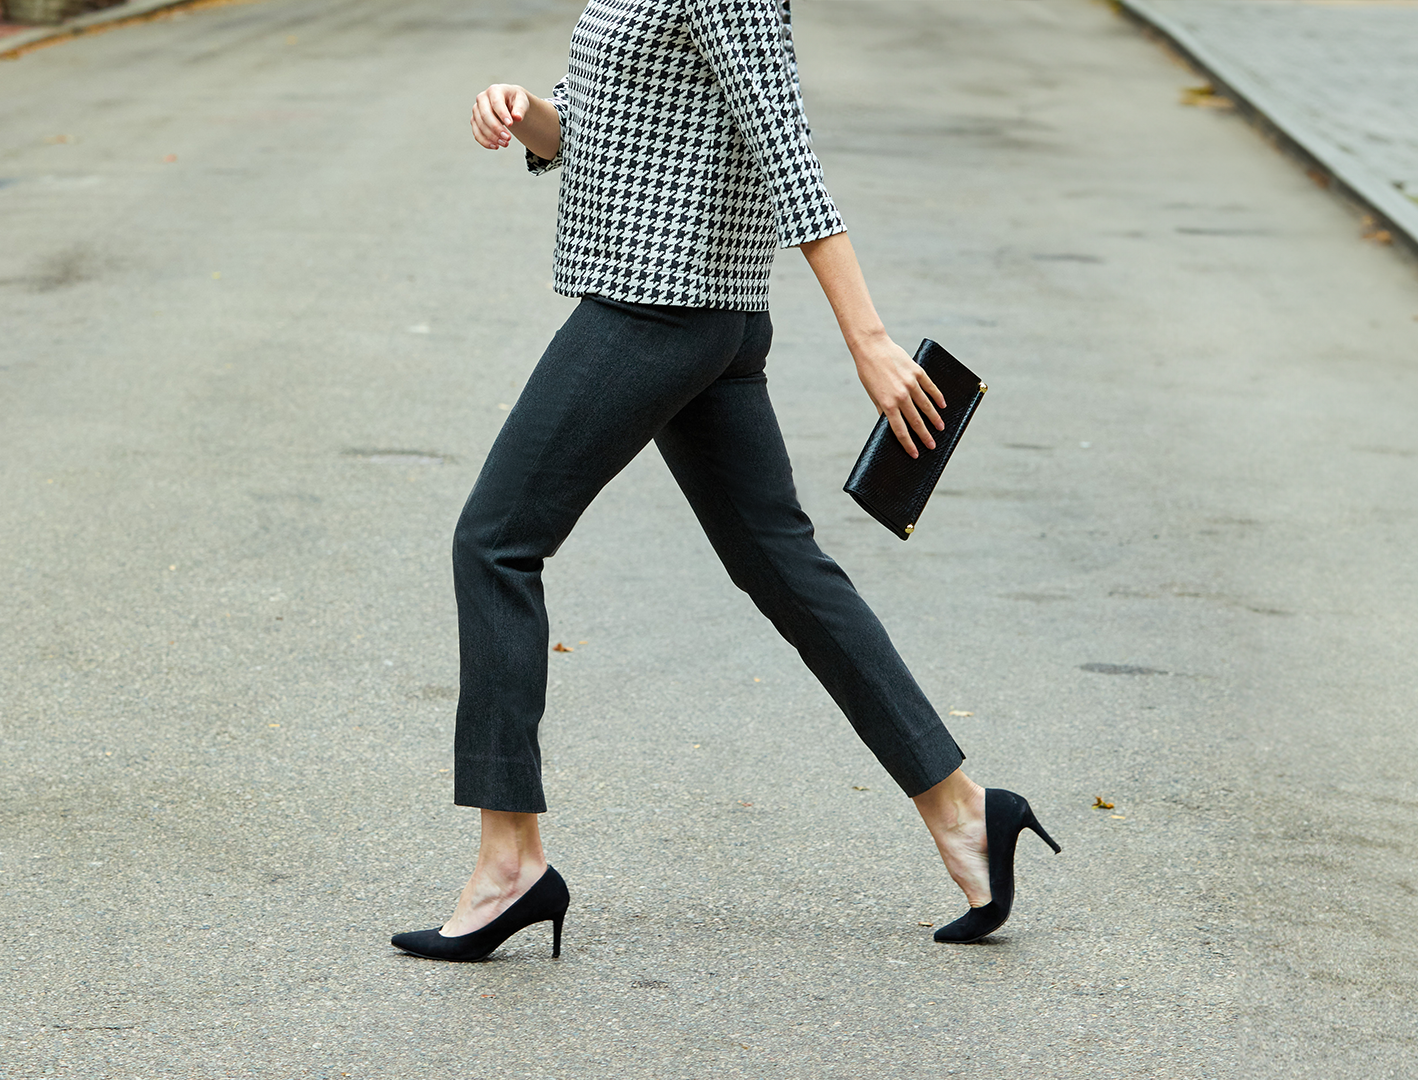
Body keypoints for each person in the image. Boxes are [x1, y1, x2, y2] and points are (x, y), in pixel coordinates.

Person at [388, 0, 1058, 963]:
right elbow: (607, 120)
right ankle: (965, 814)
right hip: (707, 312)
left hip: (653, 304)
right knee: (785, 568)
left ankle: (509, 865)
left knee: (493, 543)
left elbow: (784, 143)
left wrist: (867, 339)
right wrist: (523, 109)